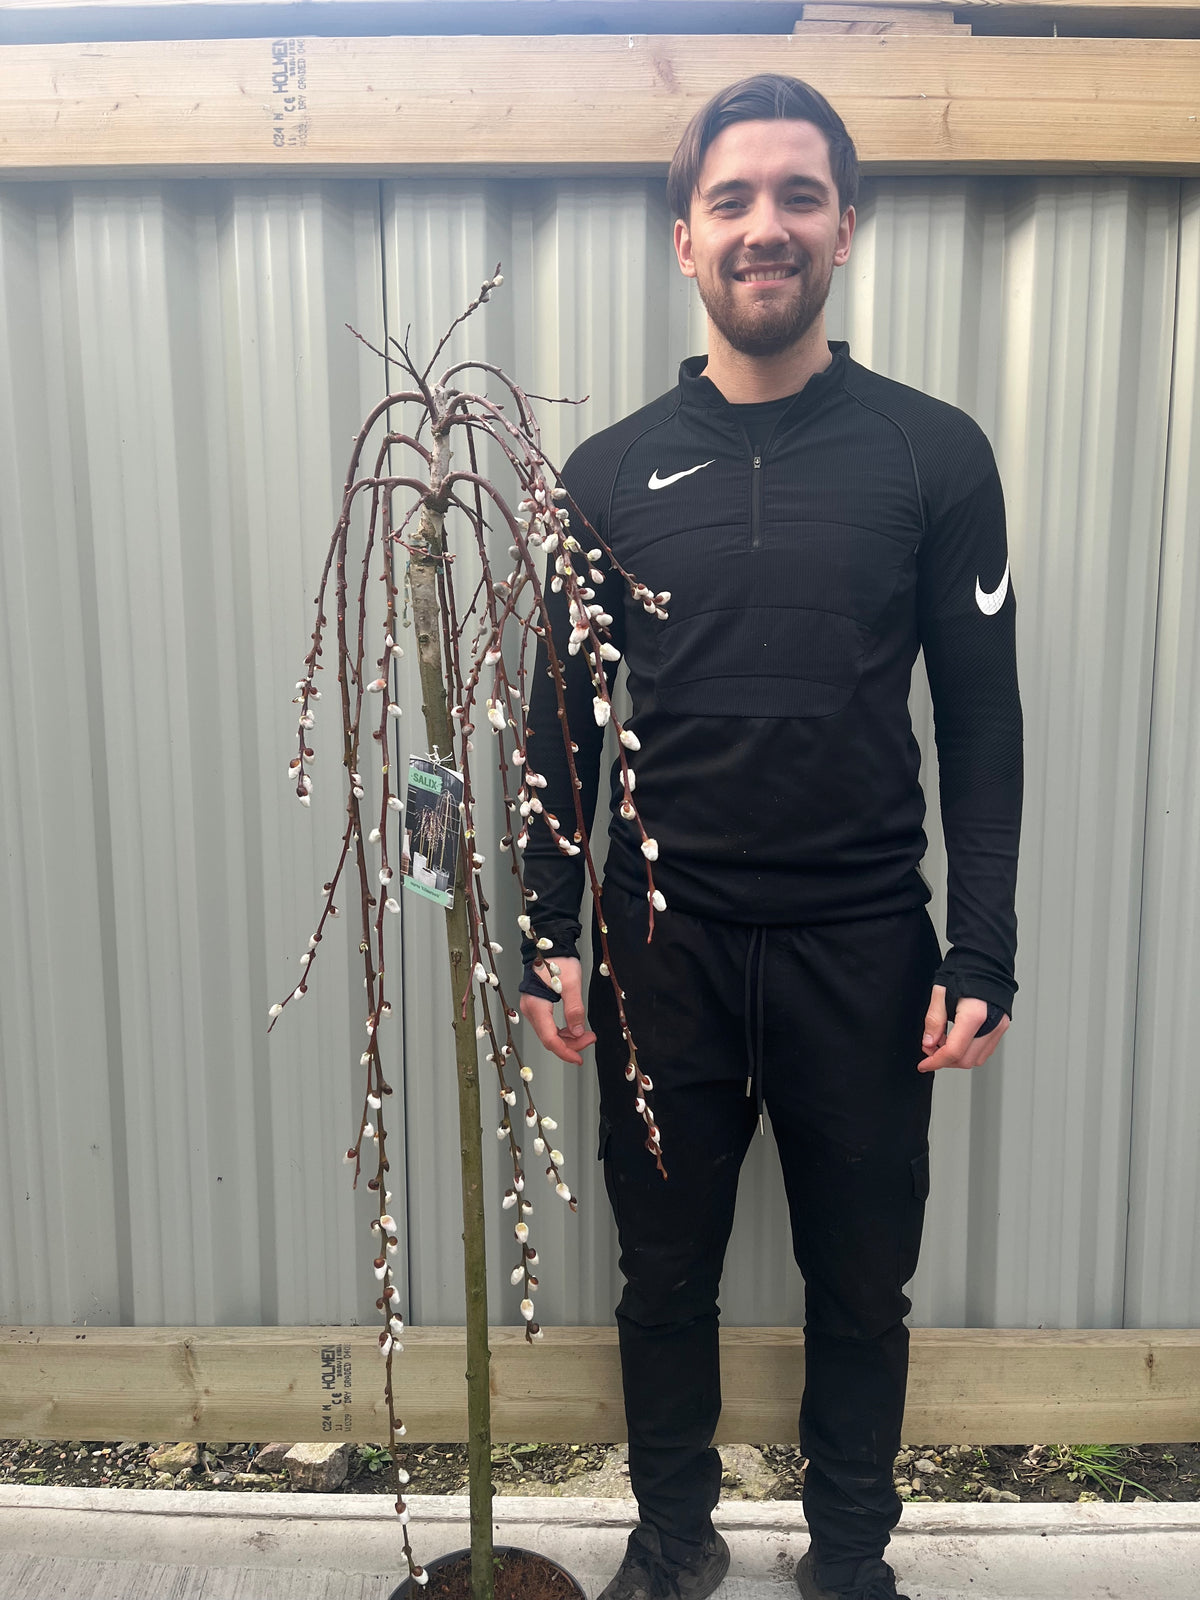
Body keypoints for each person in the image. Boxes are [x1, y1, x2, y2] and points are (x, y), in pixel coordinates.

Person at [519, 74, 1022, 1600]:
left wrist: (981, 945)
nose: (766, 227)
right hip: (656, 957)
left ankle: (850, 1558)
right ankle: (674, 1541)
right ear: (685, 237)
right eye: (733, 200)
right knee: (661, 1280)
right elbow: (559, 736)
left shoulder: (934, 459)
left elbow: (985, 726)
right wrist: (550, 931)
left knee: (861, 1288)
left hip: (864, 953)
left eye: (799, 196)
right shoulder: (603, 479)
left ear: (846, 226)